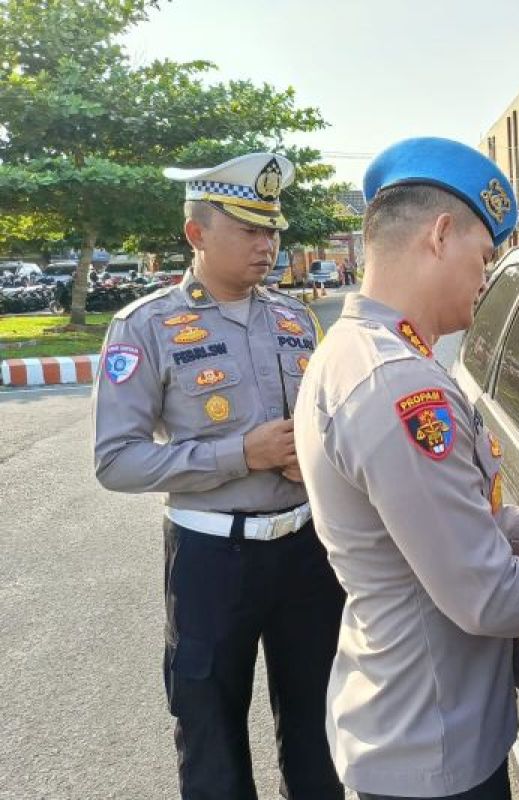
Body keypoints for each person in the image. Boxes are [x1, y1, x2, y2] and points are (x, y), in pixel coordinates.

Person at [292, 137, 519, 800]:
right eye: (484, 256)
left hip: (413, 716)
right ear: (439, 235)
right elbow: (484, 597)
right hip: (430, 742)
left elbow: (432, 521)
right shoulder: (399, 387)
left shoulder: (360, 351)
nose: (485, 278)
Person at [92, 152, 345, 800]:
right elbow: (116, 459)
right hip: (211, 557)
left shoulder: (295, 319)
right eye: (250, 230)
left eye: (273, 230)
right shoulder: (144, 326)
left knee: (322, 734)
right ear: (196, 233)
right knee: (211, 739)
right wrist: (242, 455)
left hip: (307, 552)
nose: (268, 245)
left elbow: (322, 424)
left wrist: (310, 455)